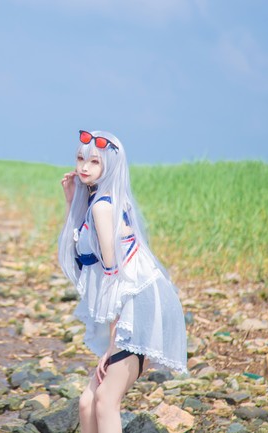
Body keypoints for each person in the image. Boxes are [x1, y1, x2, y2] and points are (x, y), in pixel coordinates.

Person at [58, 130, 188, 433]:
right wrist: (71, 200)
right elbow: (81, 249)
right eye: (81, 159)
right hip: (129, 306)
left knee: (105, 399)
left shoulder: (103, 207)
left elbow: (114, 279)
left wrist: (112, 347)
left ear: (110, 166)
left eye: (95, 162)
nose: (84, 167)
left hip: (138, 309)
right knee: (86, 403)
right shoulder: (97, 203)